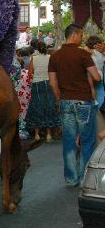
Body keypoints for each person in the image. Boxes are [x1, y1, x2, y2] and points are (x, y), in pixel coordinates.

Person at [49, 23, 102, 186]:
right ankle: (85, 177)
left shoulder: (55, 56)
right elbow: (97, 77)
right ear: (75, 35)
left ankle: (71, 179)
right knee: (87, 140)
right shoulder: (83, 55)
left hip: (66, 101)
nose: (82, 38)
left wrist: (60, 98)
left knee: (69, 141)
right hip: (84, 102)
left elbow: (52, 83)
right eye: (81, 35)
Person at [26, 40, 59, 142]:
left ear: (37, 48)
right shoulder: (50, 58)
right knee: (48, 106)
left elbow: (29, 73)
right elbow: (54, 72)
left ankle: (37, 134)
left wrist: (36, 75)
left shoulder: (34, 58)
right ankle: (49, 134)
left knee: (37, 106)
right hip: (48, 84)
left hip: (36, 84)